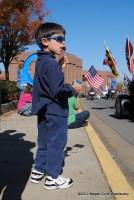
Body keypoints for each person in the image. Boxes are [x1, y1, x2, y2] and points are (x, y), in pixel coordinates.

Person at [30, 22, 82, 190]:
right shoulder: (50, 64)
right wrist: (73, 89)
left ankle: (38, 170)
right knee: (56, 145)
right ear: (45, 41)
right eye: (59, 39)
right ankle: (53, 177)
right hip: (56, 111)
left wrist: (59, 67)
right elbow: (58, 91)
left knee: (44, 142)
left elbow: (47, 84)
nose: (63, 44)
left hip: (44, 111)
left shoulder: (42, 61)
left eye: (64, 40)